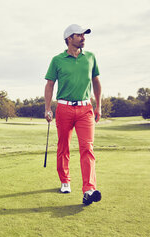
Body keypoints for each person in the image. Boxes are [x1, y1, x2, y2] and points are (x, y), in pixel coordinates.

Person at [44, 24, 102, 205]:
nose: (84, 38)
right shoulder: (57, 60)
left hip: (86, 109)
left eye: (84, 35)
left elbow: (96, 83)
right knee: (64, 147)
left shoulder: (90, 57)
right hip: (64, 108)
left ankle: (89, 189)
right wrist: (47, 108)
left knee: (87, 148)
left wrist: (98, 106)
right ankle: (65, 180)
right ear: (69, 38)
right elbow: (50, 85)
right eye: (80, 35)